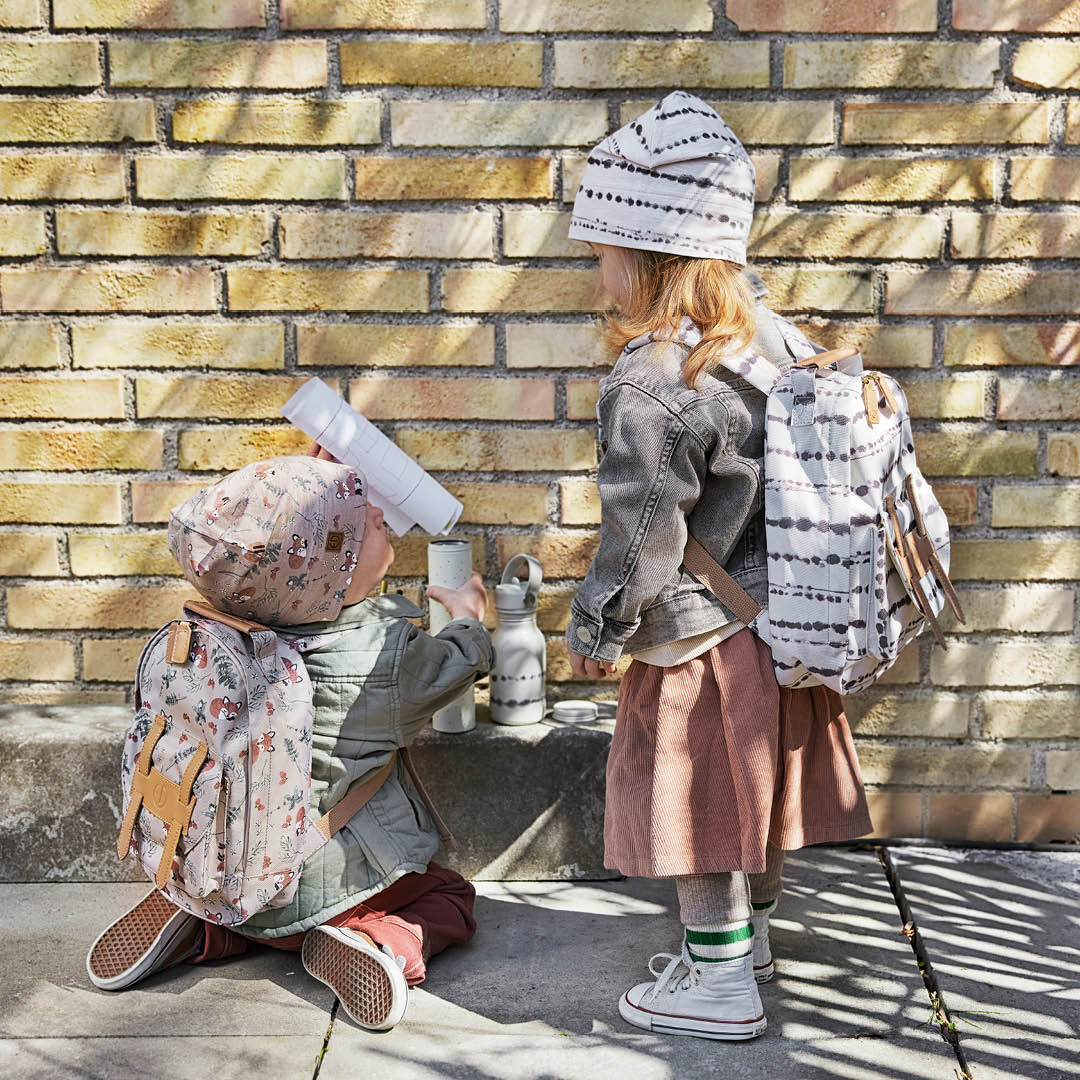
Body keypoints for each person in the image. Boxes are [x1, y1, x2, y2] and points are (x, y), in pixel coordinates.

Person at [565, 91, 872, 1041]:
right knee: (753, 795)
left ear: (647, 253)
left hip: (700, 635)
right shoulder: (771, 341)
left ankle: (719, 986)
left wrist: (599, 627)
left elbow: (641, 535)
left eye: (603, 252)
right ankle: (753, 944)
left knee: (699, 809)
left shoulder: (655, 379)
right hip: (781, 625)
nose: (599, 271)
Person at [86, 455, 492, 1033]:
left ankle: (205, 930)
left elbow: (284, 550)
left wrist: (314, 497)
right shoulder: (386, 654)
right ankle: (379, 940)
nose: (379, 514)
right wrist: (469, 617)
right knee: (450, 896)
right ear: (332, 569)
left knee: (248, 913)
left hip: (230, 879)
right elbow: (458, 664)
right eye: (362, 523)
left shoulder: (236, 622)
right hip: (327, 895)